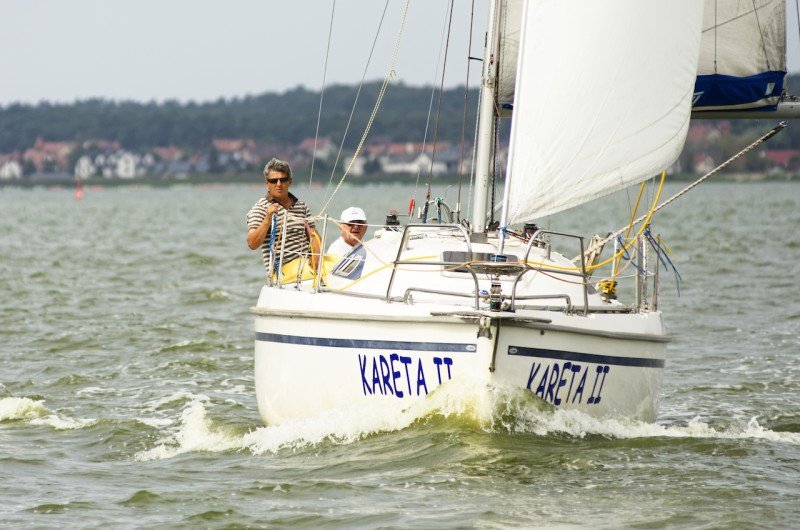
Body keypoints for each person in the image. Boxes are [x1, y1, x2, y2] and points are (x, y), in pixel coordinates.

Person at [246, 158, 319, 272]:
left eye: (283, 180)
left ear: (289, 181)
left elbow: (314, 236)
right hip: (283, 271)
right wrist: (267, 219)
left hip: (307, 266)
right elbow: (252, 244)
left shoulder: (302, 206)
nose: (279, 184)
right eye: (274, 181)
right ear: (267, 183)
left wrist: (316, 254)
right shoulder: (260, 208)